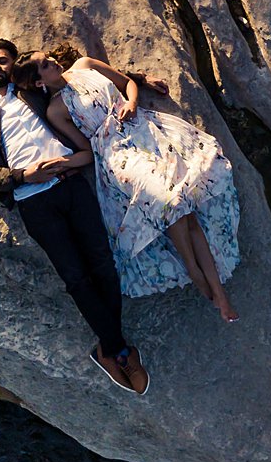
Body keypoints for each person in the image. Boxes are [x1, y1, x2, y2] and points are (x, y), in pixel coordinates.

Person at [0, 38, 149, 395]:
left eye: (2, 61)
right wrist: (23, 176)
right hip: (33, 201)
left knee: (103, 264)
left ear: (16, 67)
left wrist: (138, 82)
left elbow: (83, 76)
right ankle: (119, 350)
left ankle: (108, 349)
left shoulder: (35, 93)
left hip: (71, 185)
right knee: (76, 279)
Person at [15, 44, 241, 322]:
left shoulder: (85, 65)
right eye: (46, 65)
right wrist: (64, 164)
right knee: (170, 201)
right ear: (39, 82)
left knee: (185, 210)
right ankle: (196, 272)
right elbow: (86, 151)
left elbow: (128, 83)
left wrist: (132, 102)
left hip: (145, 131)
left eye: (48, 58)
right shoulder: (55, 110)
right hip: (116, 155)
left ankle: (216, 290)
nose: (53, 62)